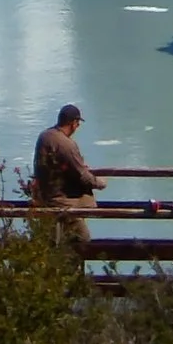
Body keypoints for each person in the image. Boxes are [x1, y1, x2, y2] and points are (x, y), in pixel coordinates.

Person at [30, 103, 106, 245]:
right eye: (77, 123)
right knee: (82, 239)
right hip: (63, 203)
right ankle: (71, 265)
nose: (77, 127)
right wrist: (100, 183)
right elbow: (82, 174)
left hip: (45, 198)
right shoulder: (66, 144)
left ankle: (55, 265)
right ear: (73, 123)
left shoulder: (45, 136)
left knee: (50, 242)